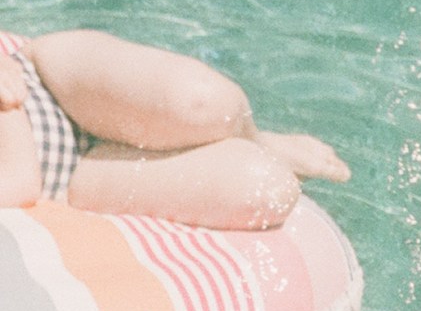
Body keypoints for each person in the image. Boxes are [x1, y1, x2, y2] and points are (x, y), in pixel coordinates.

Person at [0, 28, 349, 230]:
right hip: (71, 179)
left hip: (48, 81)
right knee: (265, 188)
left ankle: (257, 137)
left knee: (206, 103)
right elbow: (21, 178)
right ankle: (256, 150)